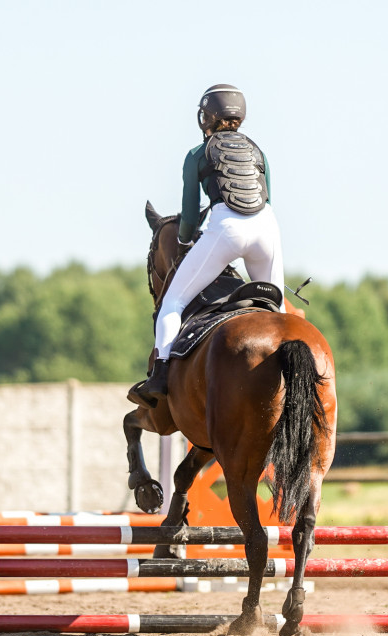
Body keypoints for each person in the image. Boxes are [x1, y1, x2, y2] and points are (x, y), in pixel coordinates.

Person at [139, 83, 286, 404]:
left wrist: (183, 242)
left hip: (226, 228)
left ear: (205, 117)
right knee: (279, 310)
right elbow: (268, 199)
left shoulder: (196, 153)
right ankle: (290, 375)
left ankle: (160, 372)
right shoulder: (258, 151)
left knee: (172, 304)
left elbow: (190, 213)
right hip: (267, 228)